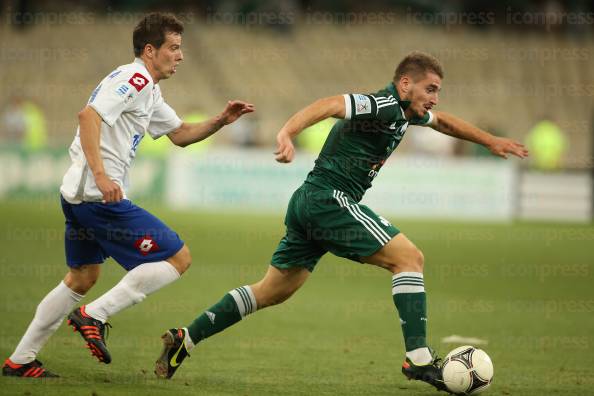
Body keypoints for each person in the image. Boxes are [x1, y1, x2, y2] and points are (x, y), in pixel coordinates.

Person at [154, 51, 527, 391]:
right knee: (409, 258)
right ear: (405, 84)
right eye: (430, 88)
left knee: (272, 291)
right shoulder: (381, 103)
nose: (434, 97)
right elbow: (331, 104)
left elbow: (443, 121)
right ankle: (418, 360)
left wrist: (490, 140)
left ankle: (185, 338)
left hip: (308, 202)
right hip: (328, 199)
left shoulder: (406, 113)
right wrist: (287, 132)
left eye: (438, 90)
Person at [2, 12, 254, 378]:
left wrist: (219, 121)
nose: (180, 55)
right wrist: (103, 176)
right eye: (174, 48)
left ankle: (20, 361)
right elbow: (88, 117)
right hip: (98, 197)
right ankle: (95, 315)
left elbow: (180, 133)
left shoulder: (149, 88)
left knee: (82, 276)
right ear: (150, 50)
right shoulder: (134, 78)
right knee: (179, 257)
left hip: (79, 196)